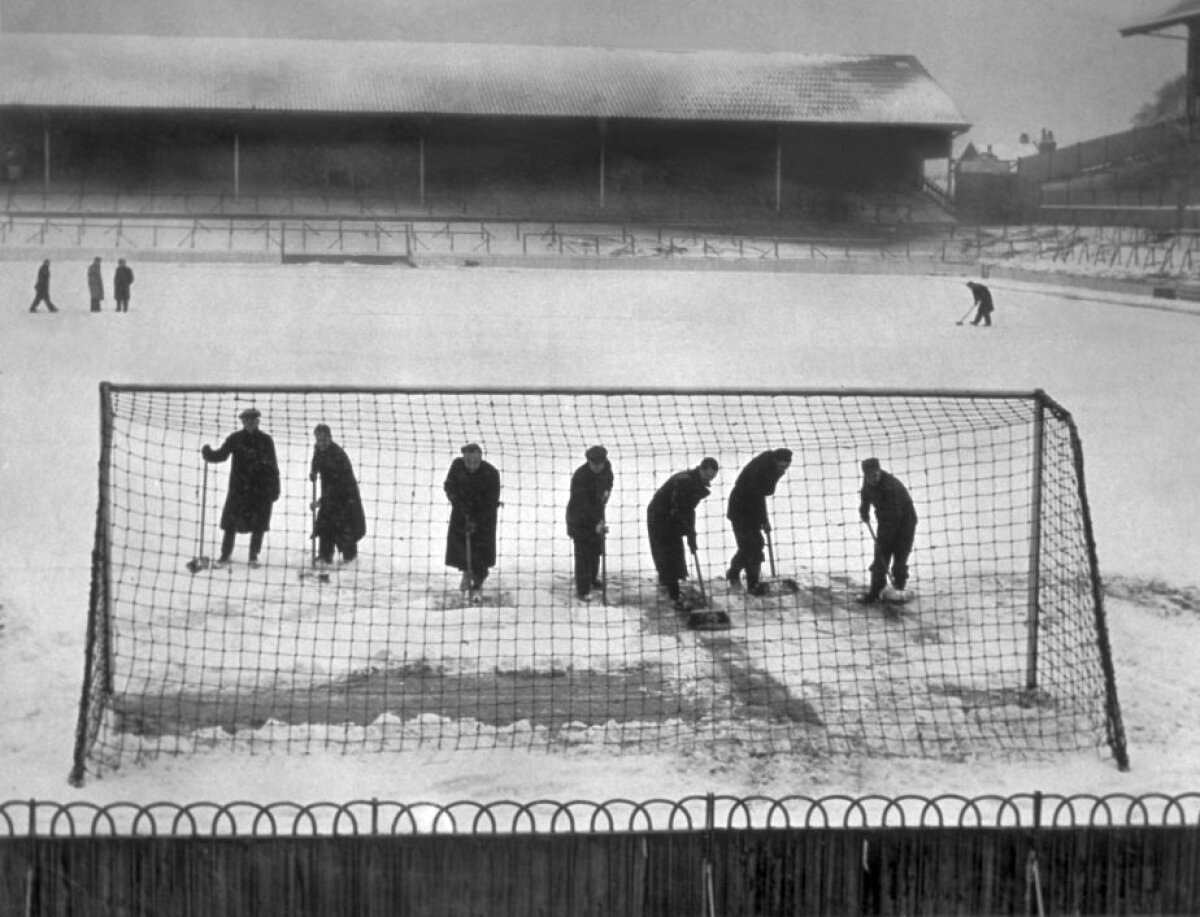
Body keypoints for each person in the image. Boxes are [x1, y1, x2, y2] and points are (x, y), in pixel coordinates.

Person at [200, 407, 281, 568]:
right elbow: (221, 455)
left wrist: (275, 487)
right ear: (243, 422)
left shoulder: (266, 440)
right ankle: (225, 555)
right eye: (246, 420)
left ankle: (254, 556)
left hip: (260, 489)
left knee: (259, 523)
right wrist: (209, 454)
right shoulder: (235, 439)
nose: (249, 423)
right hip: (239, 488)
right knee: (231, 522)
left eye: (252, 420)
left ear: (258, 421)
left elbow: (273, 466)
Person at [646, 457, 719, 612]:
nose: (709, 480)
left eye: (712, 477)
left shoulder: (695, 482)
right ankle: (674, 595)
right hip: (660, 517)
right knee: (668, 554)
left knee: (675, 553)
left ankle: (669, 584)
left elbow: (688, 510)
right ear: (701, 469)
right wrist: (687, 530)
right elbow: (677, 509)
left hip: (671, 516)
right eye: (707, 476)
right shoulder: (685, 482)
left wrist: (691, 534)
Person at [725, 448, 792, 596]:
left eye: (786, 467)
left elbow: (761, 495)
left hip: (751, 508)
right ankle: (752, 583)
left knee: (752, 545)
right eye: (782, 466)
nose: (784, 469)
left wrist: (764, 520)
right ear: (775, 461)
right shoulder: (761, 470)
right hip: (740, 509)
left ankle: (734, 573)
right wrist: (764, 520)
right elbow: (759, 495)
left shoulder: (769, 468)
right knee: (752, 545)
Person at [443, 443, 502, 601]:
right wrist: (460, 505)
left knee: (480, 552)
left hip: (484, 518)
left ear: (480, 458)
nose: (471, 466)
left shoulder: (491, 473)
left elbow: (490, 502)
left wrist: (476, 521)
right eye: (468, 462)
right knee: (462, 548)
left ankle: (478, 583)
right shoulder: (457, 467)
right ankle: (466, 574)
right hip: (461, 514)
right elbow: (449, 486)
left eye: (475, 462)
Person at [857, 457, 918, 604]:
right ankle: (875, 592)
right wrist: (864, 510)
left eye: (876, 475)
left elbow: (895, 516)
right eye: (871, 476)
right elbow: (865, 494)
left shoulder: (891, 487)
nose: (874, 479)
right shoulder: (868, 481)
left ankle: (898, 591)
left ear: (880, 472)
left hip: (905, 523)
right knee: (880, 560)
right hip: (886, 521)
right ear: (866, 475)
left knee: (899, 557)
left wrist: (883, 541)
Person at [309, 424, 366, 568]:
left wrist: (320, 502)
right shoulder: (319, 450)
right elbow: (316, 461)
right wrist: (313, 472)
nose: (321, 443)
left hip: (345, 497)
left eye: (324, 439)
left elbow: (338, 484)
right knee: (325, 525)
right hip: (329, 496)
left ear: (330, 438)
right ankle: (325, 555)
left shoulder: (337, 455)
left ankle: (350, 558)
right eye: (319, 440)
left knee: (345, 527)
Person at [566, 445, 613, 601]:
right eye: (594, 465)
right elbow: (582, 505)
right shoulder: (581, 477)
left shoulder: (606, 467)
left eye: (600, 464)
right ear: (589, 462)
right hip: (579, 518)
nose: (598, 467)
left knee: (596, 549)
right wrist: (595, 524)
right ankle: (583, 589)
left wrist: (607, 490)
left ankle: (592, 578)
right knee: (583, 554)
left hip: (597, 511)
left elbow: (609, 478)